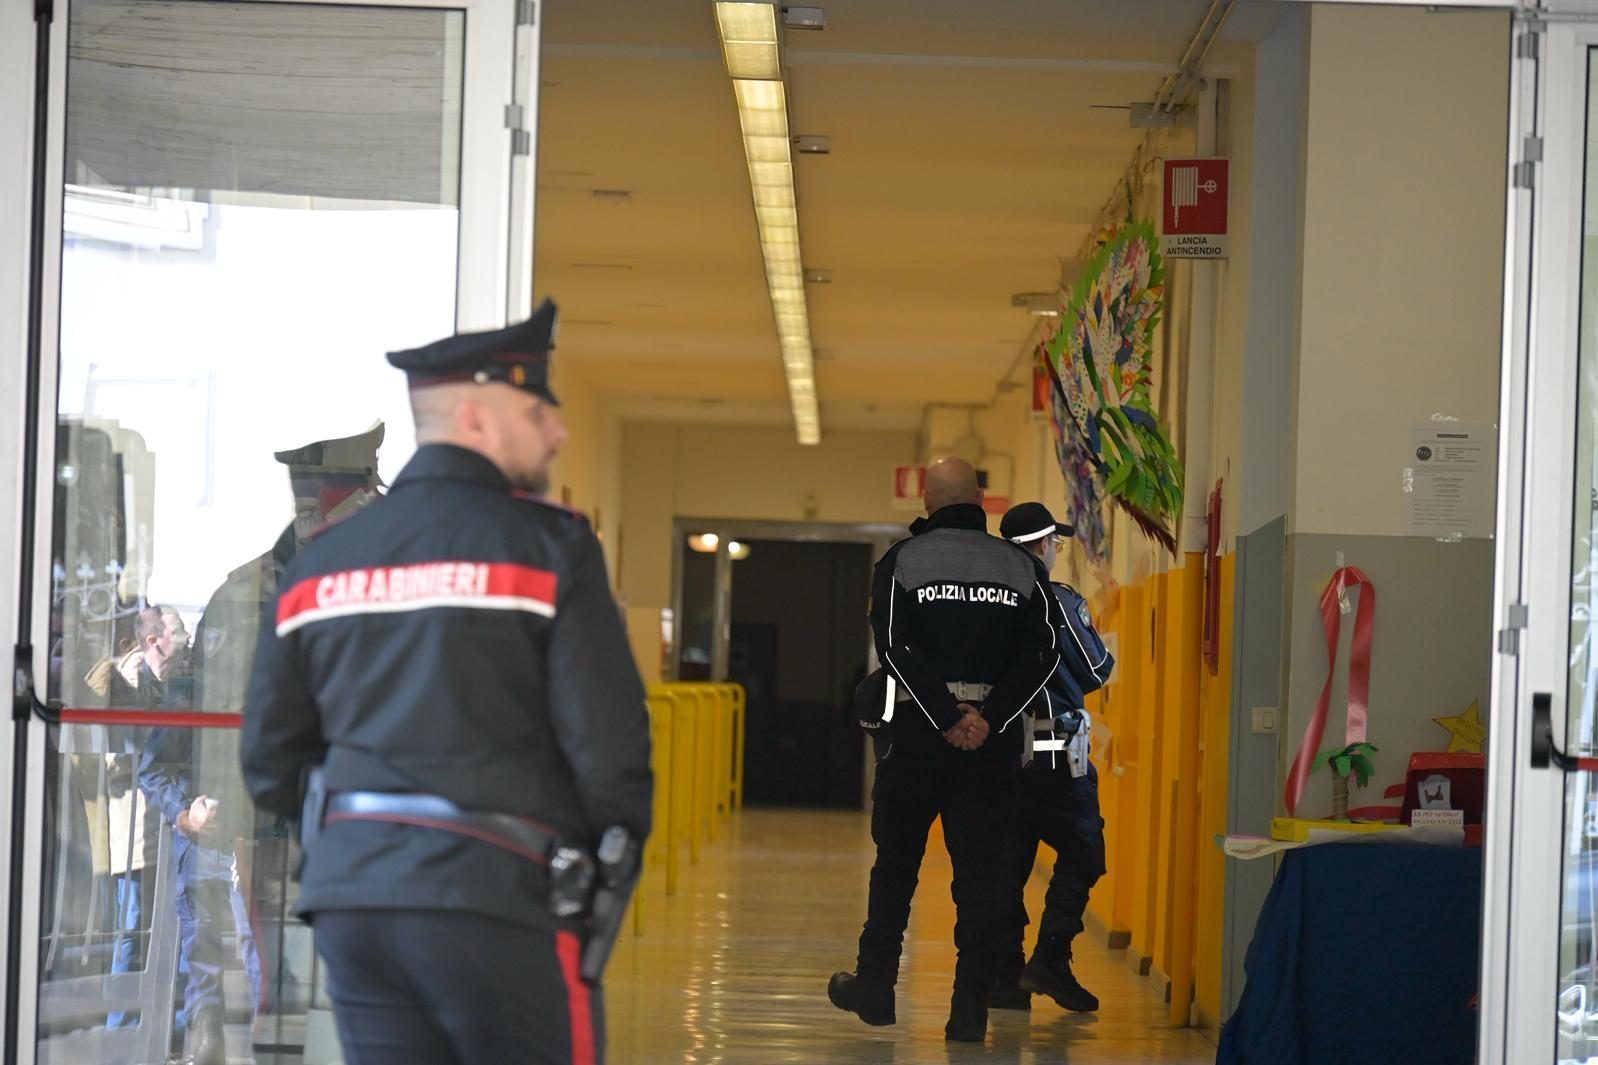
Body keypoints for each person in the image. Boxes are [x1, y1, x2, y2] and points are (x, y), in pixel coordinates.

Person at [241, 299, 653, 1065]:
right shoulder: (547, 549)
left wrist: (370, 832)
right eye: (539, 409)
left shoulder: (321, 564)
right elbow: (610, 749)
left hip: (355, 904)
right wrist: (595, 857)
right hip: (502, 898)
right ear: (478, 416)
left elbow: (269, 760)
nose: (557, 430)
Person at [829, 458, 1063, 1043]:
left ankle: (877, 990)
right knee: (981, 879)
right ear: (981, 499)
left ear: (928, 500)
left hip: (915, 739)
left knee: (896, 868)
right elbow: (1042, 653)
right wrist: (989, 718)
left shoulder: (902, 562)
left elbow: (894, 644)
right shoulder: (1020, 567)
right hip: (991, 746)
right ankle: (968, 1011)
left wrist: (942, 714)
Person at [990, 501, 1114, 1015]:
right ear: (1043, 546)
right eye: (1056, 543)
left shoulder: (989, 604)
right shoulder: (1057, 601)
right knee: (1084, 849)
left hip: (996, 746)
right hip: (1053, 739)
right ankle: (1050, 958)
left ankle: (1005, 977)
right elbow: (1096, 669)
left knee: (1008, 860)